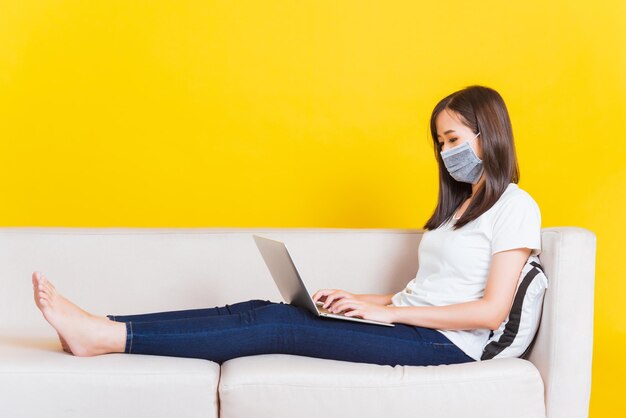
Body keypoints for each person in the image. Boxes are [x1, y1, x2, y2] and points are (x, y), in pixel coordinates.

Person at [32, 85, 541, 366]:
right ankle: (104, 326)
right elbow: (427, 291)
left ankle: (106, 337)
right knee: (259, 309)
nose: (447, 152)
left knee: (276, 326)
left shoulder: (516, 207)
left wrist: (389, 317)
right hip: (413, 326)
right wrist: (364, 301)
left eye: (453, 138)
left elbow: (491, 310)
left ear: (487, 133)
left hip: (446, 345)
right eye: (441, 143)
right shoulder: (456, 213)